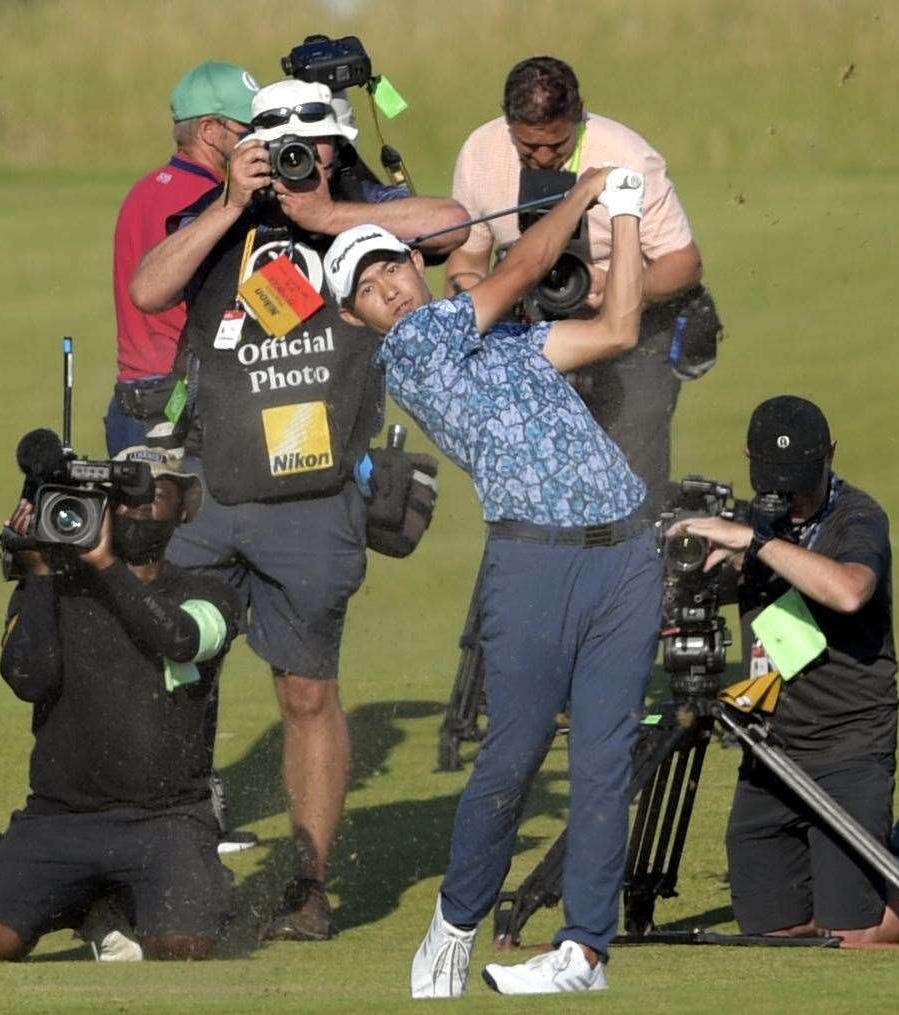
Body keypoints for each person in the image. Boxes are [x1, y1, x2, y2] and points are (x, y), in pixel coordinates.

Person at [127, 76, 469, 942]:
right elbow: (149, 291)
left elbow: (456, 221)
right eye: (277, 143)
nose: (295, 160)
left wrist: (324, 217)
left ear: (339, 146)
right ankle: (174, 859)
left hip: (313, 501)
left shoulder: (366, 214)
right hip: (211, 485)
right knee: (177, 676)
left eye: (312, 146)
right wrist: (234, 200)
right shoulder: (221, 214)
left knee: (308, 693)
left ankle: (308, 884)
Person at [325, 165, 660, 995]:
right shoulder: (413, 348)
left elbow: (617, 328)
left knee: (605, 760)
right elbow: (517, 271)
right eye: (367, 289)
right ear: (353, 315)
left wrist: (620, 213)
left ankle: (583, 951)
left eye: (393, 268)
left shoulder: (503, 344)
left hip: (625, 551)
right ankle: (455, 923)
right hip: (534, 562)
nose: (389, 291)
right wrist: (582, 191)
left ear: (416, 262)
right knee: (510, 759)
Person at [668, 396, 899, 945]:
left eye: (800, 481)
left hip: (849, 744)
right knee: (775, 930)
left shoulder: (857, 516)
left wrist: (759, 543)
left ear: (831, 454)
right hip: (770, 749)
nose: (789, 497)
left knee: (853, 934)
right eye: (775, 482)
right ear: (749, 459)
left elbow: (847, 592)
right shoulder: (745, 521)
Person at [0, 446, 240, 962]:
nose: (139, 505)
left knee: (182, 946)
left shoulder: (209, 593)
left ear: (185, 509)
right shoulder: (58, 589)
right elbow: (28, 680)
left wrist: (103, 564)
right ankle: (89, 904)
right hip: (58, 820)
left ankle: (157, 890)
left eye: (156, 494)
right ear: (103, 506)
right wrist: (37, 572)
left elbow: (178, 639)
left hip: (165, 820)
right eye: (124, 497)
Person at [446, 55, 708, 513]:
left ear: (580, 114)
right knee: (539, 487)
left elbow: (683, 263)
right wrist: (478, 299)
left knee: (632, 483)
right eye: (528, 147)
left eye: (558, 143)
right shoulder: (479, 154)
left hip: (633, 331)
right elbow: (468, 256)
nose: (545, 157)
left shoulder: (627, 156)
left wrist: (621, 287)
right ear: (506, 122)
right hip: (529, 331)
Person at [108, 60, 256, 456]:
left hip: (130, 402)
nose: (259, 141)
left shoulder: (142, 191)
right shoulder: (215, 205)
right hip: (180, 403)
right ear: (209, 130)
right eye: (248, 130)